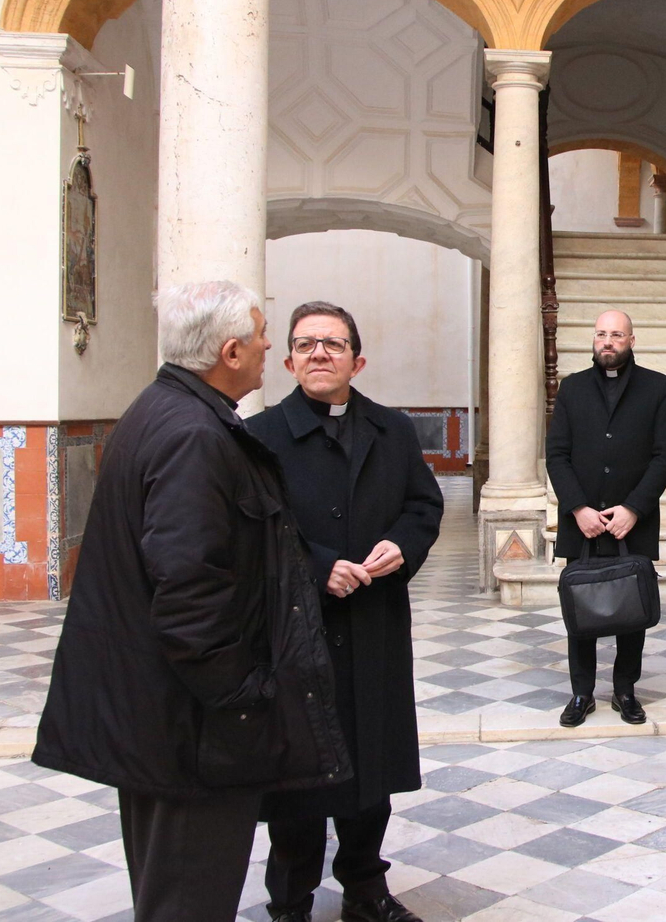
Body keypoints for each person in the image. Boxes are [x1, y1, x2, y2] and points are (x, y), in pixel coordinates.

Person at [33, 282, 349, 922]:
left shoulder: (167, 411)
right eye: (262, 336)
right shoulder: (193, 437)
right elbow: (190, 593)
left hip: (170, 719)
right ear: (230, 351)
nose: (269, 346)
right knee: (187, 899)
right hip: (191, 730)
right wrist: (243, 696)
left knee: (172, 892)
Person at [248, 302, 444, 922]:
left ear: (357, 360)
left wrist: (403, 545)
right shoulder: (260, 438)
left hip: (373, 623)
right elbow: (252, 529)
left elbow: (424, 506)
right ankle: (290, 903)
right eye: (306, 345)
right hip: (297, 634)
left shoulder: (392, 430)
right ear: (287, 361)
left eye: (333, 345)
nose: (319, 355)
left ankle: (364, 889)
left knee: (371, 769)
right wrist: (316, 564)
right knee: (297, 780)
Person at [546, 309, 666, 727]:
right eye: (601, 334)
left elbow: (665, 455)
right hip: (581, 520)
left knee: (630, 608)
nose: (607, 341)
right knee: (581, 607)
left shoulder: (656, 387)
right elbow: (557, 455)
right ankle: (581, 692)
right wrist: (578, 508)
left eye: (616, 335)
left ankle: (625, 689)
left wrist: (634, 508)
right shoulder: (571, 388)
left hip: (631, 519)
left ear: (632, 340)